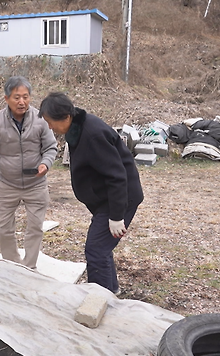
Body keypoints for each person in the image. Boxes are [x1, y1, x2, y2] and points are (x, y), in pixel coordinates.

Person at [38, 92, 144, 294]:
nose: (49, 127)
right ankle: (110, 290)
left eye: (50, 122)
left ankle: (99, 298)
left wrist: (116, 216)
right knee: (101, 247)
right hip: (107, 198)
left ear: (66, 117)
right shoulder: (77, 128)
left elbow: (116, 176)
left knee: (96, 249)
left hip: (119, 198)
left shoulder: (92, 135)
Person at [0, 76, 58, 269]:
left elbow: (51, 147)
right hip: (7, 184)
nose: (22, 102)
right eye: (17, 97)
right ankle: (12, 267)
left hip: (36, 184)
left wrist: (46, 164)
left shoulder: (40, 119)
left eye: (26, 97)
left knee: (35, 228)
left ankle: (30, 267)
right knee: (4, 228)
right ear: (6, 98)